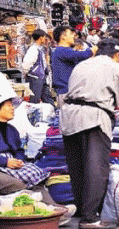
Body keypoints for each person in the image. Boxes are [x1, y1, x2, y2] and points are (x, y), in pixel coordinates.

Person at [61, 39, 119, 229]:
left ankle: (82, 209)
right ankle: (90, 217)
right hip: (93, 118)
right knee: (96, 168)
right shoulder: (116, 68)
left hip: (68, 115)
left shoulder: (82, 64)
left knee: (77, 166)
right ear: (117, 54)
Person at [0, 76, 76, 226]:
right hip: (3, 166)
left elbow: (20, 149)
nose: (12, 109)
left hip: (12, 164)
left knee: (37, 181)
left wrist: (20, 160)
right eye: (8, 105)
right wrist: (6, 162)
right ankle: (44, 213)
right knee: (18, 183)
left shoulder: (12, 130)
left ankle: (56, 211)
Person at [51, 26, 97, 100]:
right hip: (66, 92)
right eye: (71, 34)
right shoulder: (61, 50)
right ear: (63, 37)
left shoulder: (64, 51)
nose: (74, 36)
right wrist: (92, 50)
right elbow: (80, 55)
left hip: (70, 91)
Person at [21, 29, 54, 105]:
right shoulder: (33, 49)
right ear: (40, 37)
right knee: (35, 100)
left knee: (47, 98)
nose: (45, 39)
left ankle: (53, 112)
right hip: (35, 78)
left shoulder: (40, 48)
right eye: (44, 37)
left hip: (42, 78)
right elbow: (26, 64)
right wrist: (26, 73)